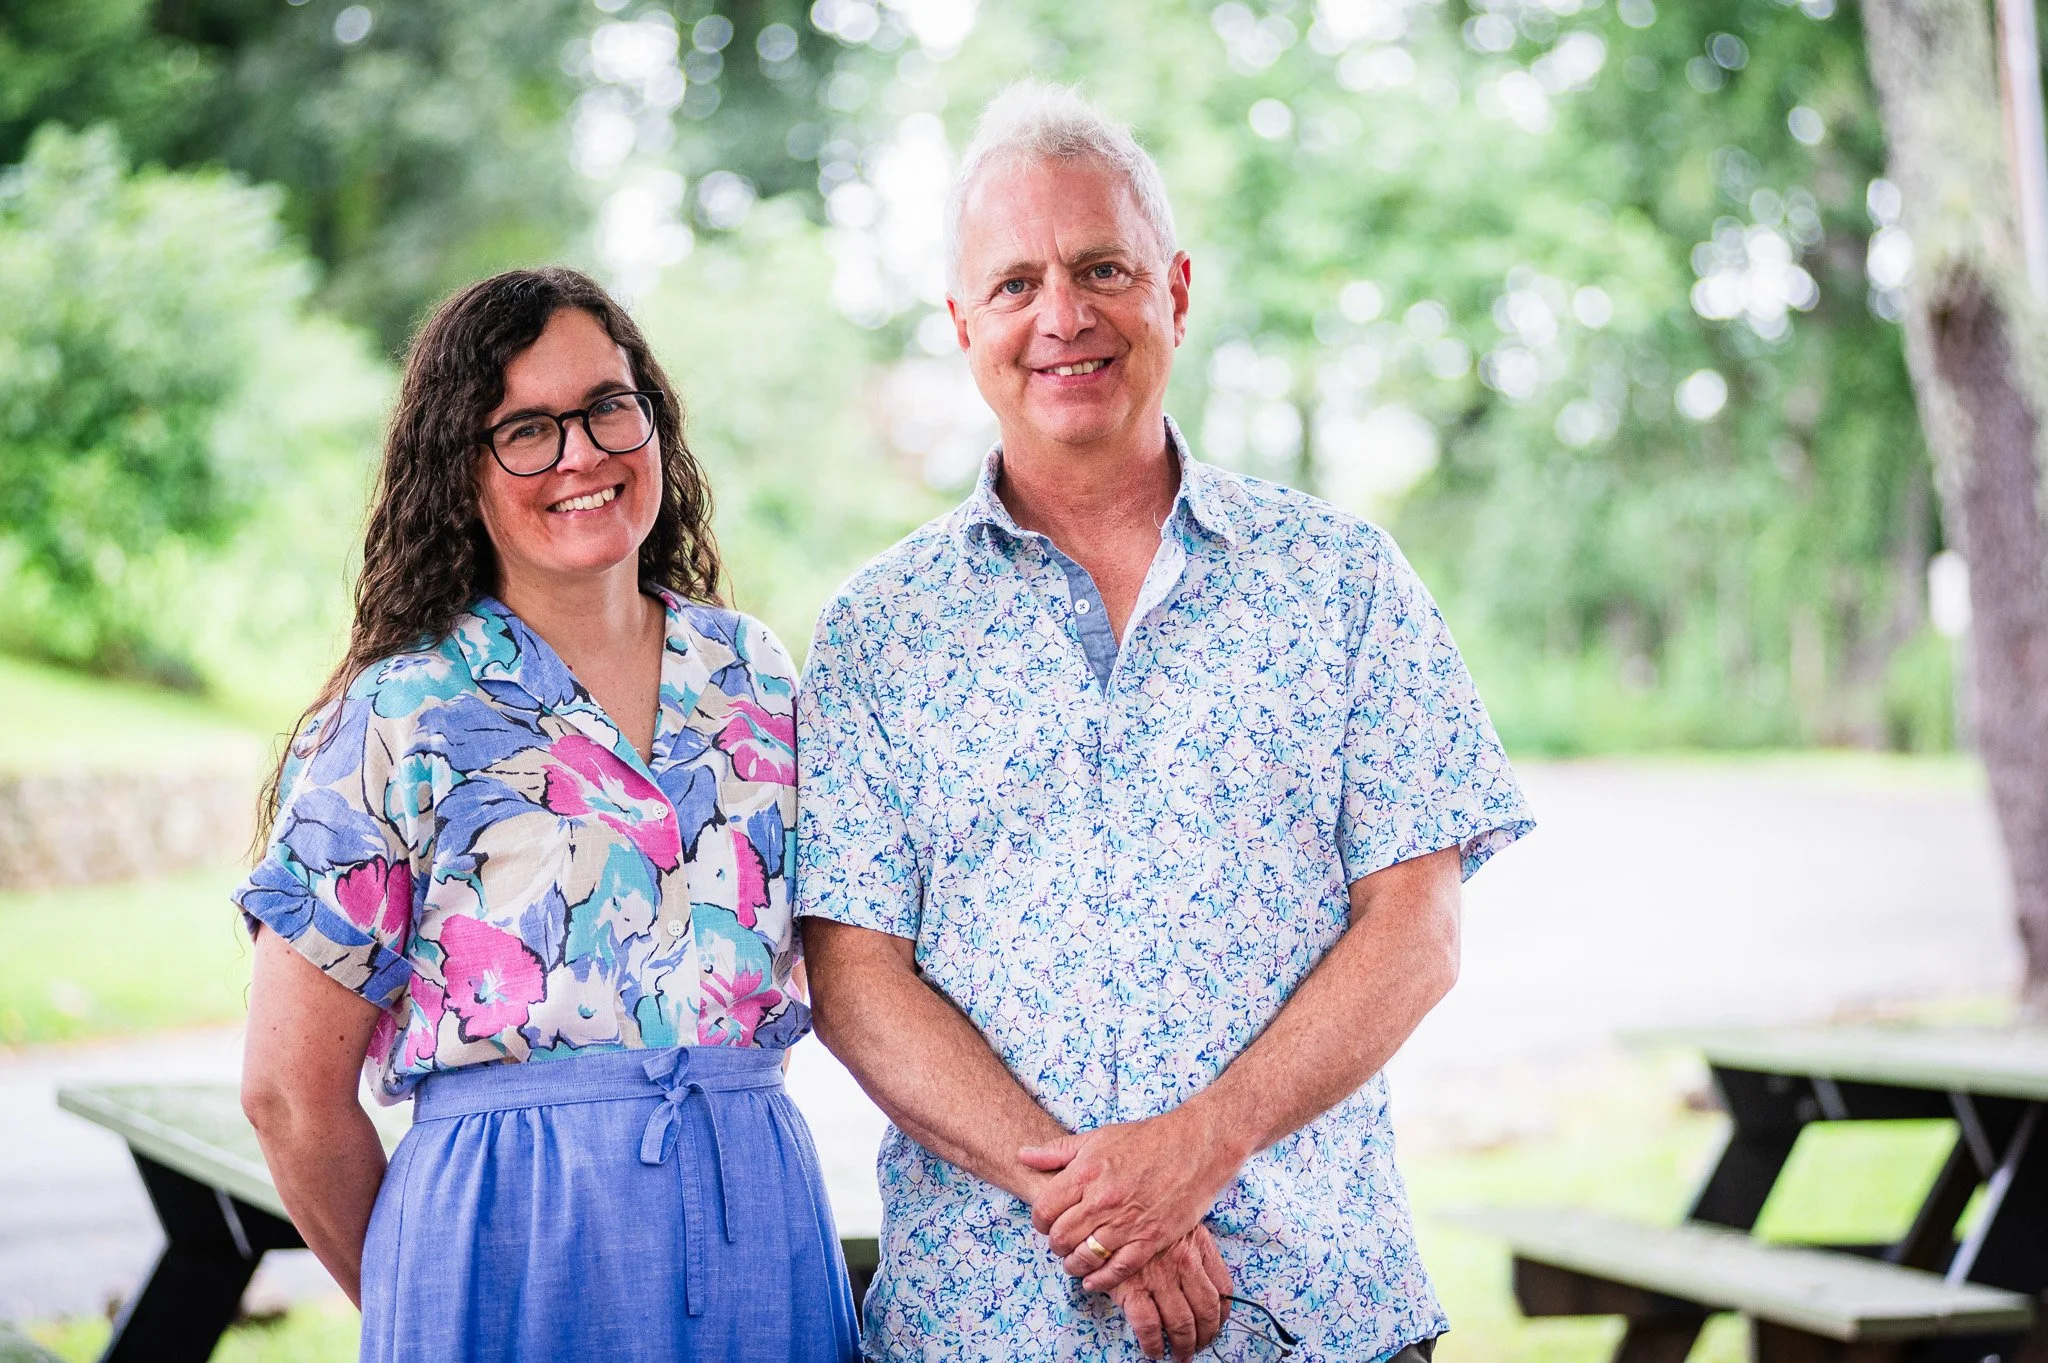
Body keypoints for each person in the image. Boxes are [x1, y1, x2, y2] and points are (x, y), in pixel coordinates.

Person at [796, 82, 1534, 1363]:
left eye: (1102, 269)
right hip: (987, 1327)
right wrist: (1095, 1209)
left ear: (1175, 292)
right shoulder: (877, 634)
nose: (1062, 316)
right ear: (962, 321)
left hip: (1316, 1318)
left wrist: (1202, 1145)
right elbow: (855, 974)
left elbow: (1417, 925)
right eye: (1015, 283)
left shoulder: (1342, 580)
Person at [236, 267, 860, 1363]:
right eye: (524, 429)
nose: (579, 454)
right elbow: (288, 1097)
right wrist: (425, 1292)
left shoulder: (751, 670)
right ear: (460, 470)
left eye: (606, 408)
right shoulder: (400, 711)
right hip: (506, 1246)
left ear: (652, 419)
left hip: (754, 1220)